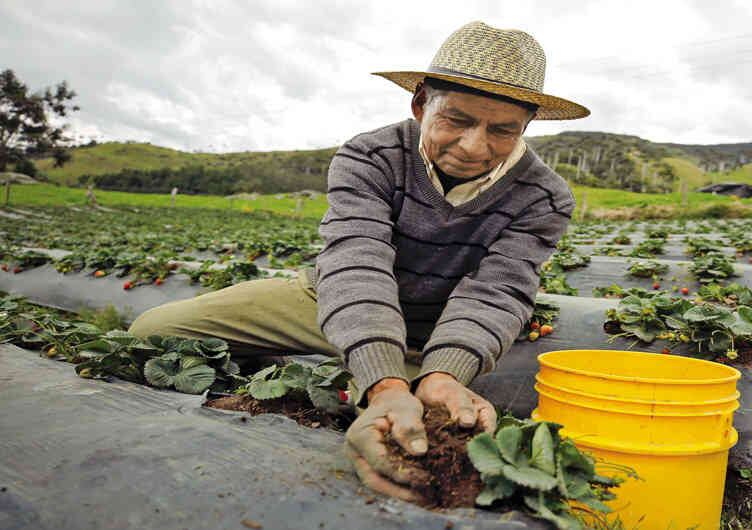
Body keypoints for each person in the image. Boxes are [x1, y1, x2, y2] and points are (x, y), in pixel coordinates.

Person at [128, 20, 588, 503]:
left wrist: (444, 375)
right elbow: (357, 262)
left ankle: (386, 376)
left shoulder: (545, 196)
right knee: (153, 332)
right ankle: (314, 367)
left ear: (526, 127)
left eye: (502, 130)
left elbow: (496, 292)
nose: (475, 146)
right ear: (420, 103)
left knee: (437, 420)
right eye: (456, 120)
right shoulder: (371, 156)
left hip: (434, 330)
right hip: (328, 299)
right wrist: (385, 384)